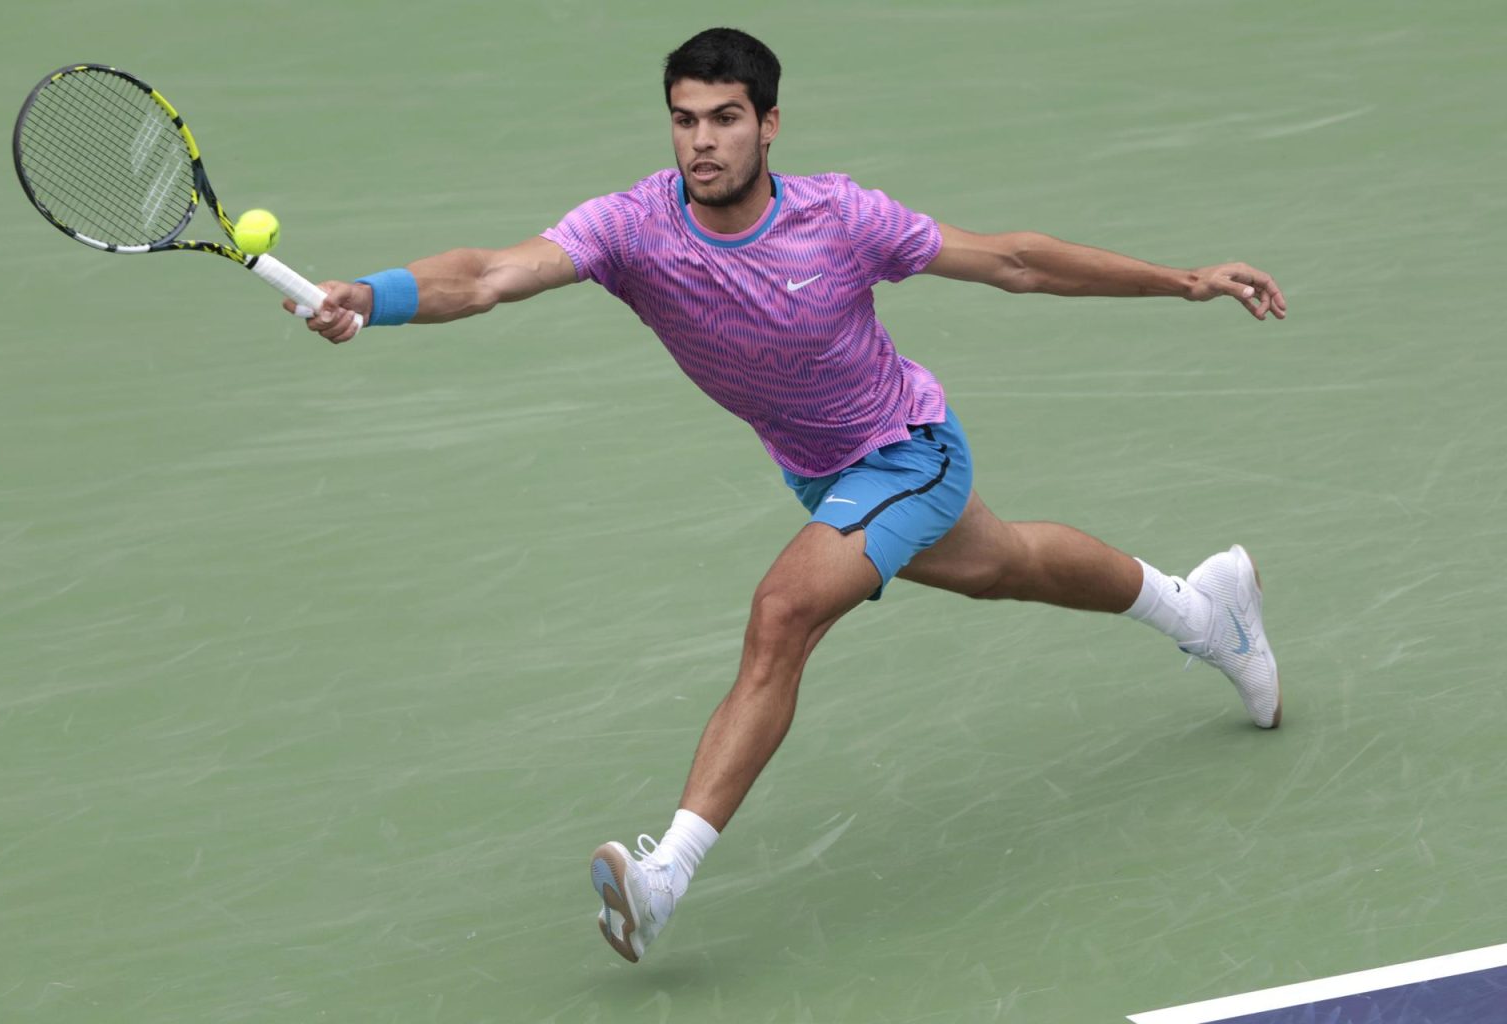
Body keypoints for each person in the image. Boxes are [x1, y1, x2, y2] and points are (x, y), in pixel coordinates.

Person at [289, 27, 1288, 964]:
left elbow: (1015, 260)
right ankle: (1207, 611)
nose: (702, 141)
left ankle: (664, 876)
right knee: (1008, 566)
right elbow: (488, 273)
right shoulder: (633, 227)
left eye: (725, 117)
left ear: (769, 124)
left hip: (908, 453)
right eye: (684, 119)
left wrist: (1184, 280)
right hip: (821, 471)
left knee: (783, 613)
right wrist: (373, 298)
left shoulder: (840, 218)